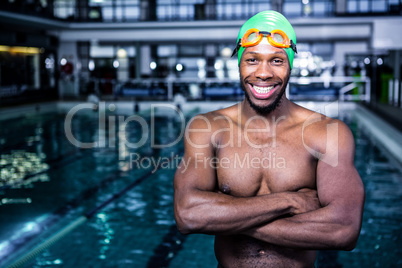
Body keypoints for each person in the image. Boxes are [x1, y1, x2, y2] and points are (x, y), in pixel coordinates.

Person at [173, 10, 365, 268]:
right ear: (239, 63)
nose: (263, 73)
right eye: (252, 59)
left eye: (276, 60)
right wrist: (290, 201)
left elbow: (343, 229)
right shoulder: (206, 128)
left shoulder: (328, 132)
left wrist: (226, 214)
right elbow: (188, 214)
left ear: (290, 67)